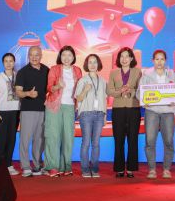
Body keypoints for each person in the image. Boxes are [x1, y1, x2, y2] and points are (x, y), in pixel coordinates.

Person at [138, 50, 175, 179]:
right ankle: (152, 169)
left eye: (162, 59)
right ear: (153, 60)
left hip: (168, 112)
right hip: (152, 111)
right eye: (157, 59)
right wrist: (143, 101)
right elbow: (139, 92)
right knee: (150, 141)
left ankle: (167, 169)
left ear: (165, 60)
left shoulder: (171, 74)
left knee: (168, 141)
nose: (159, 62)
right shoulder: (146, 75)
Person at [45, 46, 82, 177]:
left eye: (69, 55)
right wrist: (58, 86)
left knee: (68, 137)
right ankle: (53, 166)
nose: (66, 58)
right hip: (54, 105)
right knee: (53, 136)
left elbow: (79, 90)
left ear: (73, 57)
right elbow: (49, 88)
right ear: (60, 56)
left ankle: (66, 166)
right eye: (64, 55)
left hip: (70, 106)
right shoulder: (54, 69)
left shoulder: (77, 71)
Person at [107, 47, 142, 178]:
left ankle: (132, 168)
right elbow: (109, 90)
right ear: (118, 59)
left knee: (133, 139)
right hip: (118, 109)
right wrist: (120, 91)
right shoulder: (113, 73)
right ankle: (120, 168)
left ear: (132, 58)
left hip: (134, 108)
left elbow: (140, 91)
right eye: (122, 56)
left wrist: (131, 91)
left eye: (127, 56)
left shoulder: (138, 72)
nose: (124, 59)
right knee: (119, 139)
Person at [15, 45, 49, 176]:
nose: (34, 57)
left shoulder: (47, 70)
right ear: (28, 56)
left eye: (37, 55)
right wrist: (28, 93)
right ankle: (25, 166)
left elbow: (50, 88)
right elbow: (18, 92)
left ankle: (37, 165)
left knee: (40, 139)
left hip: (43, 109)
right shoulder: (22, 72)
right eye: (31, 55)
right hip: (28, 109)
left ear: (41, 55)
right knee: (25, 139)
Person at [75, 54, 108, 178]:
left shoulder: (103, 81)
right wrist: (85, 90)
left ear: (98, 64)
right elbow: (78, 98)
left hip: (100, 114)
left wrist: (104, 115)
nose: (93, 65)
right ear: (86, 65)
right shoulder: (83, 80)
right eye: (90, 62)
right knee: (86, 142)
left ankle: (94, 169)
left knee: (96, 143)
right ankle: (84, 169)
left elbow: (104, 99)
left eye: (95, 62)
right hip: (86, 114)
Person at [0, 53, 20, 175]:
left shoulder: (18, 76)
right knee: (1, 140)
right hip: (2, 111)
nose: (8, 63)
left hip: (15, 111)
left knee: (11, 139)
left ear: (14, 62)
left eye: (11, 61)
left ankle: (8, 165)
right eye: (6, 61)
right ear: (3, 63)